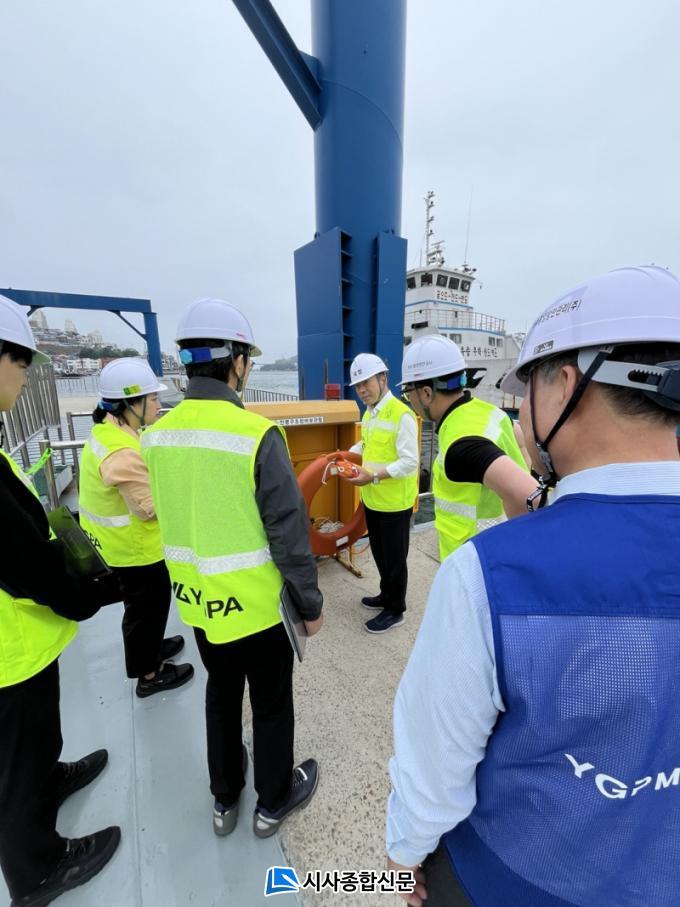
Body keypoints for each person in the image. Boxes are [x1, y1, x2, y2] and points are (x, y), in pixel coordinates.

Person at [386, 265, 680, 907]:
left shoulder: (487, 578)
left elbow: (434, 771)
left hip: (513, 879)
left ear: (564, 385)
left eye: (529, 391)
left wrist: (405, 854)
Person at [141, 297, 323, 838]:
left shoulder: (156, 437)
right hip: (259, 610)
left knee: (220, 696)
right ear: (238, 362)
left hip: (201, 605)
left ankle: (224, 801)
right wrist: (310, 604)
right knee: (270, 704)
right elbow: (289, 534)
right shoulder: (256, 435)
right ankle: (272, 803)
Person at [0, 295, 121, 907]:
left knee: (37, 742)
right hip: (8, 650)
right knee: (15, 764)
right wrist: (83, 595)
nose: (25, 377)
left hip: (23, 639)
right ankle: (37, 871)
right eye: (21, 362)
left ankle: (51, 779)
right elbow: (21, 561)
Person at [78, 358, 194, 697]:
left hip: (119, 544)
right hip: (134, 551)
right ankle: (149, 673)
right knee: (146, 610)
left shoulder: (108, 433)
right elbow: (147, 509)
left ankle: (153, 646)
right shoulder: (121, 452)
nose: (159, 405)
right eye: (153, 399)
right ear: (130, 404)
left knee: (148, 609)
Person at [400, 334, 537, 561]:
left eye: (408, 393)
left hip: (476, 564)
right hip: (490, 553)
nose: (409, 400)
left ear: (426, 393)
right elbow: (522, 447)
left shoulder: (462, 446)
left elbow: (529, 496)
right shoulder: (489, 412)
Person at [346, 353, 419, 634]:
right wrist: (345, 454)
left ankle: (396, 609)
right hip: (373, 500)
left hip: (395, 504)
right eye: (358, 385)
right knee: (380, 553)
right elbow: (367, 445)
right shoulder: (370, 413)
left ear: (383, 378)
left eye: (366, 382)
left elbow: (410, 461)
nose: (362, 390)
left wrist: (373, 476)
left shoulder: (402, 415)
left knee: (395, 559)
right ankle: (386, 595)